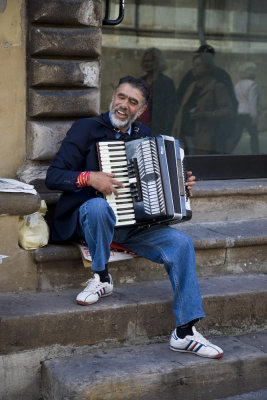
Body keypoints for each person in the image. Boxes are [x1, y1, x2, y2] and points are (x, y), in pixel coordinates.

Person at [46, 75, 223, 359]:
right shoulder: (86, 129)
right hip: (93, 220)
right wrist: (89, 177)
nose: (124, 105)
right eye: (121, 97)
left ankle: (185, 332)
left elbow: (156, 186)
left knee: (181, 244)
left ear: (140, 110)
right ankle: (102, 277)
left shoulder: (145, 135)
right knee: (98, 207)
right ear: (113, 97)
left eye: (133, 102)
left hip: (134, 226)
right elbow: (53, 176)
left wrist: (180, 185)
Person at [172, 53, 234, 154]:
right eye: (194, 65)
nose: (194, 68)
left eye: (198, 65)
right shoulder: (191, 87)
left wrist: (205, 114)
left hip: (205, 139)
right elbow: (182, 110)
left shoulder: (217, 87)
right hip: (185, 137)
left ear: (208, 67)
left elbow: (228, 111)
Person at [139, 47, 175, 135]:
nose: (147, 64)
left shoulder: (166, 83)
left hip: (157, 129)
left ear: (157, 62)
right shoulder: (139, 81)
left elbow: (170, 111)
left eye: (150, 61)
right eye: (146, 61)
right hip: (139, 127)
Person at [232, 62, 259, 154]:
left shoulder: (238, 85)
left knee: (236, 135)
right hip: (249, 114)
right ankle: (256, 154)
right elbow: (252, 101)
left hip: (239, 112)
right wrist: (254, 116)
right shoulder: (253, 84)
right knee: (254, 136)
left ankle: (227, 151)